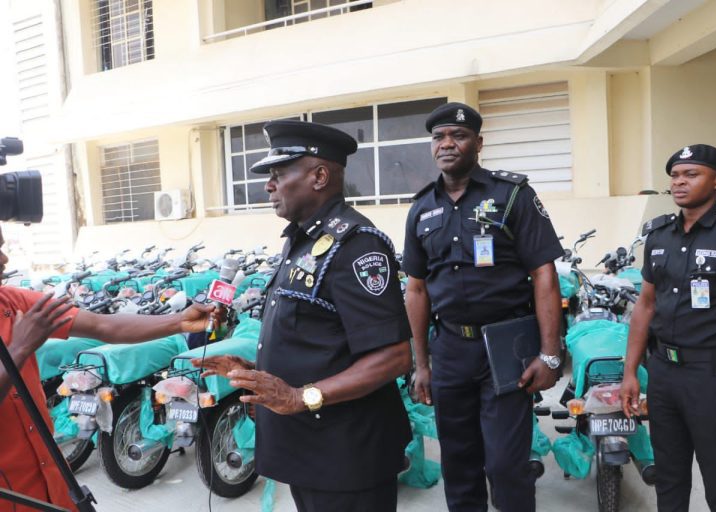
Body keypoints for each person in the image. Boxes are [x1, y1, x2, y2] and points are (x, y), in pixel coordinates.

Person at [193, 120, 412, 512]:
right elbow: (317, 339)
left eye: (278, 174)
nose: (268, 185)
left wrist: (299, 395)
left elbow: (393, 357)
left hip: (347, 457)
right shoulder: (303, 240)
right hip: (310, 451)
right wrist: (253, 369)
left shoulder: (356, 246)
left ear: (320, 176)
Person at [402, 102, 564, 512]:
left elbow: (544, 275)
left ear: (478, 142)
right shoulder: (421, 207)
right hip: (451, 349)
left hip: (506, 347)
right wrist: (421, 363)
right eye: (439, 137)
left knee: (507, 465)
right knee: (458, 463)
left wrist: (550, 353)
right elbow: (417, 290)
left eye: (458, 136)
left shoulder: (512, 196)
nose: (447, 144)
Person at [0, 227, 220, 512]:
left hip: (53, 484)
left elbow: (104, 325)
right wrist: (18, 350)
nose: (4, 258)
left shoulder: (12, 303)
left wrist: (179, 321)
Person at [620, 144, 716, 512]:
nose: (679, 182)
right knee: (668, 480)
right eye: (674, 175)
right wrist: (630, 372)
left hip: (714, 375)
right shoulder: (658, 235)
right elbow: (645, 305)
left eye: (691, 174)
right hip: (664, 373)